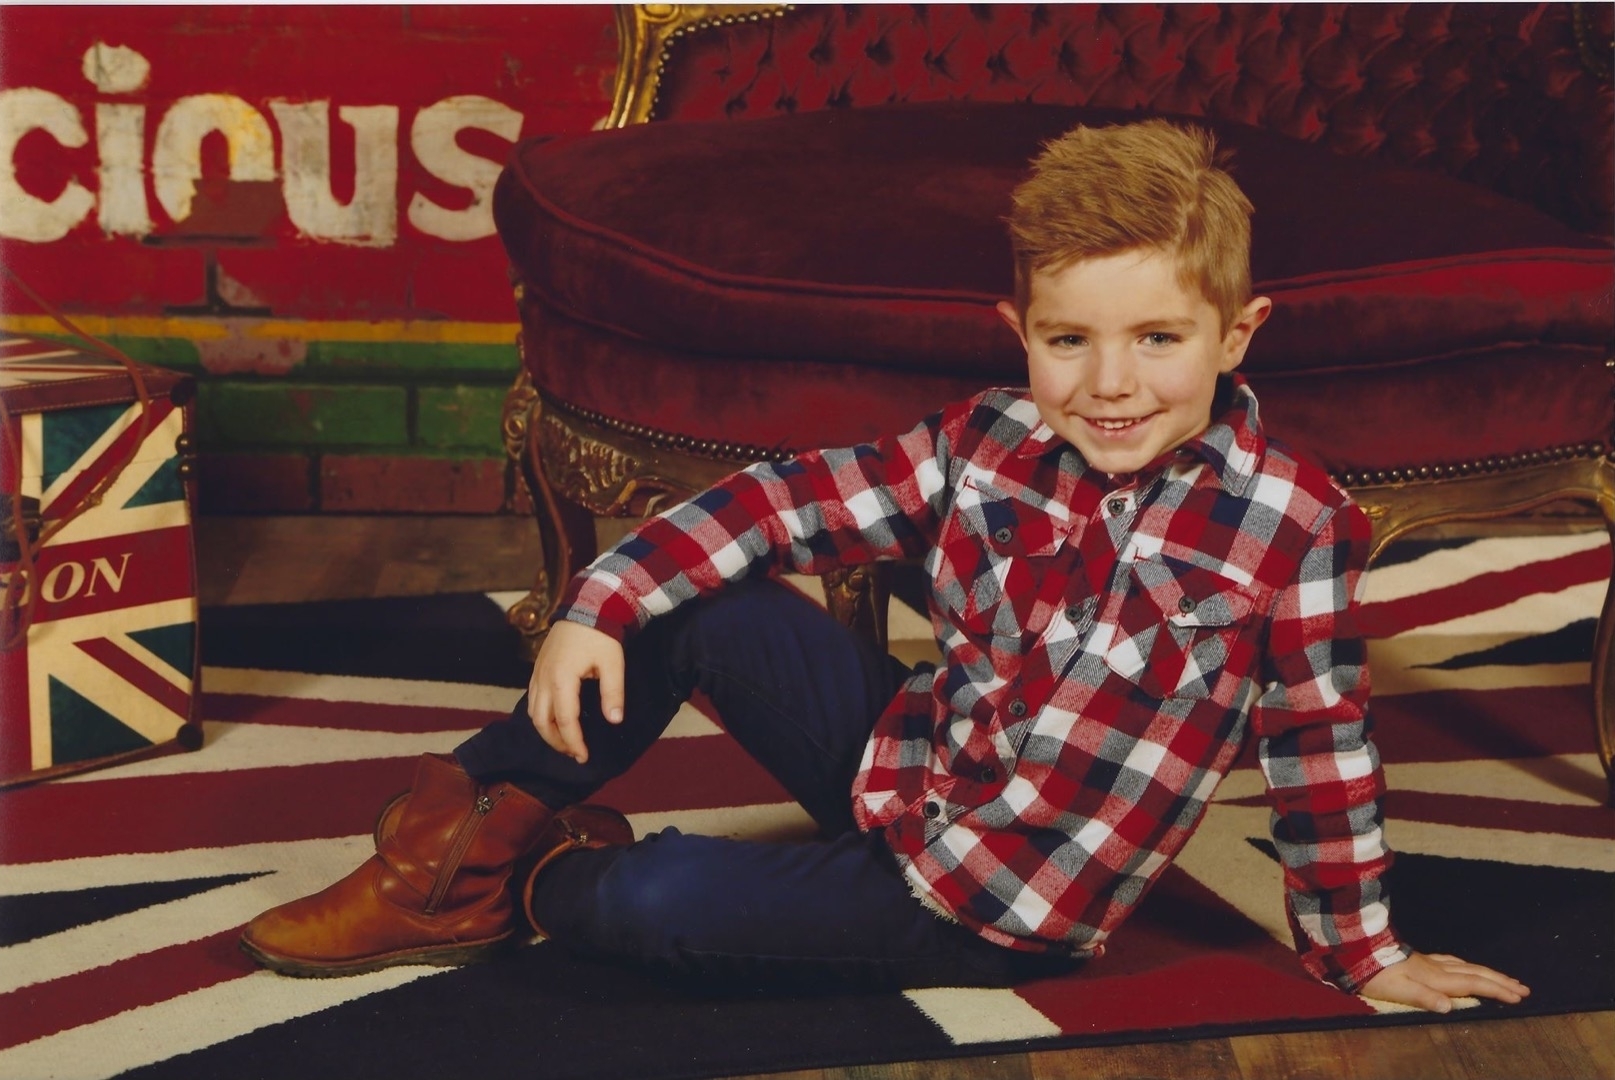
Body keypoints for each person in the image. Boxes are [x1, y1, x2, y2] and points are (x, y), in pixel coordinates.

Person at [242, 119, 1529, 1012]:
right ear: (1018, 330)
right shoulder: (990, 440)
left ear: (1237, 335)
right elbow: (786, 500)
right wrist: (601, 600)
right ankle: (446, 858)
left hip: (993, 904)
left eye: (1158, 338)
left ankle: (542, 882)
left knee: (649, 898)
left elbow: (1320, 750)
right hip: (903, 766)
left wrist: (1363, 952)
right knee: (701, 597)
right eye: (1069, 340)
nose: (1112, 383)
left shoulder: (1293, 523)